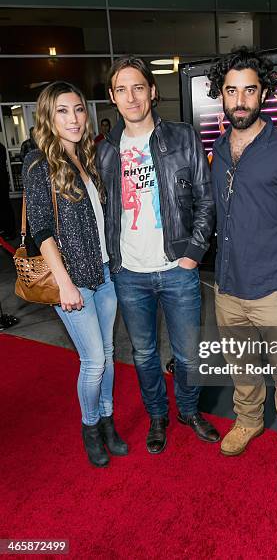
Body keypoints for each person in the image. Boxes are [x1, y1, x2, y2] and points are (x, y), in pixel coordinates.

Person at [96, 56, 219, 454]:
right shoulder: (106, 151)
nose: (131, 97)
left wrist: (193, 254)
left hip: (177, 267)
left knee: (187, 353)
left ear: (151, 90)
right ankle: (157, 416)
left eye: (137, 87)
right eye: (121, 89)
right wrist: (113, 264)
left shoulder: (182, 137)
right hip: (129, 273)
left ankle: (188, 409)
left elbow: (205, 199)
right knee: (144, 353)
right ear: (112, 98)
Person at [207, 48, 277, 494]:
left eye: (248, 89)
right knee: (242, 368)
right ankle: (248, 421)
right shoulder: (217, 148)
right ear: (222, 96)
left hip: (275, 288)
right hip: (228, 286)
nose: (239, 99)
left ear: (263, 93)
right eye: (231, 90)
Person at [22, 81, 128, 468]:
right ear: (49, 116)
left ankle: (108, 420)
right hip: (73, 280)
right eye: (64, 111)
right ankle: (91, 427)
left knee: (110, 354)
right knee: (94, 361)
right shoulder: (39, 163)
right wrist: (65, 283)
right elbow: (42, 230)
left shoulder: (88, 156)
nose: (74, 118)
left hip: (104, 273)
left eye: (79, 109)